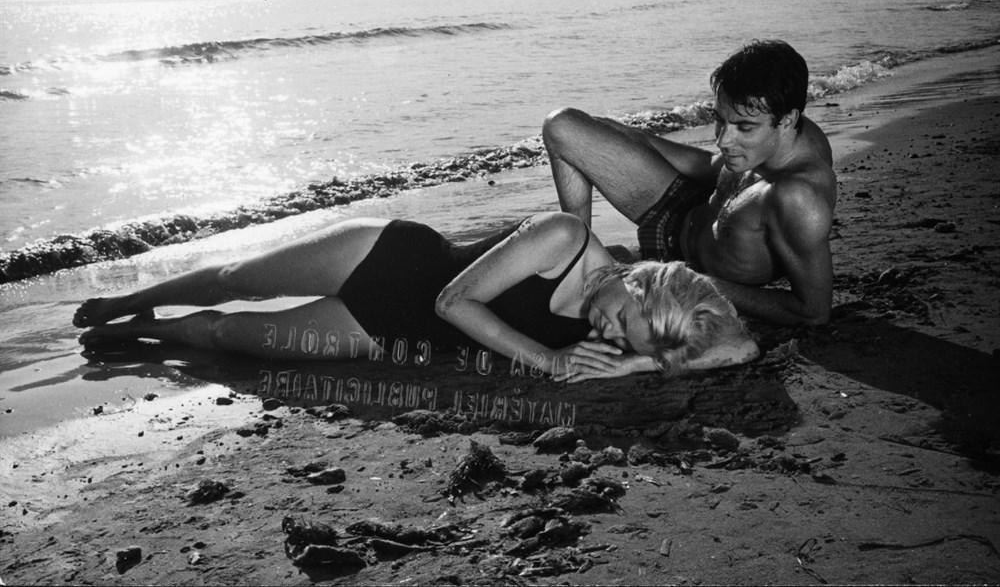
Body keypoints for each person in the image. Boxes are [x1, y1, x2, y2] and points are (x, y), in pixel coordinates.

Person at [73, 212, 758, 383]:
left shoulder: (636, 331)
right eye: (621, 322)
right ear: (641, 282)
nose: (604, 334)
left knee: (229, 337)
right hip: (386, 257)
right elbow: (454, 302)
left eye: (619, 341)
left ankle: (143, 336)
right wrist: (548, 362)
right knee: (235, 280)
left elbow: (741, 348)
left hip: (384, 330)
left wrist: (637, 361)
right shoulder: (565, 238)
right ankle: (128, 301)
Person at [542, 39, 836, 326]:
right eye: (720, 120)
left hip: (681, 269)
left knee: (539, 288)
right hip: (684, 206)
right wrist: (639, 138)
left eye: (744, 128)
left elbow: (812, 312)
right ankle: (577, 258)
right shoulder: (780, 129)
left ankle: (586, 269)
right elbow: (712, 165)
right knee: (563, 125)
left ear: (787, 120)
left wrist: (689, 282)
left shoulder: (799, 197)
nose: (723, 140)